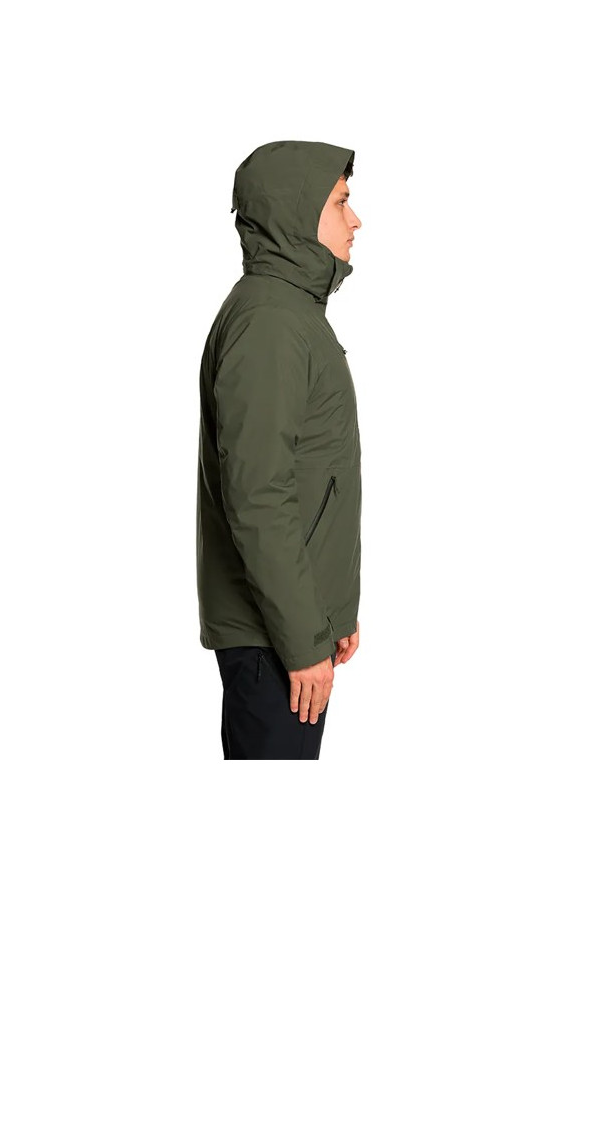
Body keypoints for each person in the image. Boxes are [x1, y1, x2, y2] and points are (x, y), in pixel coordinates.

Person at [196, 139, 363, 759]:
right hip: (274, 640)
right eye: (341, 203)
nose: (356, 220)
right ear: (297, 212)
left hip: (287, 632)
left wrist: (329, 614)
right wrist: (301, 638)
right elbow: (259, 496)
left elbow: (313, 472)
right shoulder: (271, 321)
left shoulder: (290, 313)